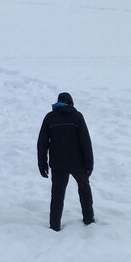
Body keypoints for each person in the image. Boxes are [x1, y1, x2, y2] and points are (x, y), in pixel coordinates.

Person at [37, 92, 94, 231]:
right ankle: (88, 219)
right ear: (71, 103)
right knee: (84, 189)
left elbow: (42, 143)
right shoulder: (77, 116)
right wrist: (89, 163)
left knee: (57, 194)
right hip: (78, 163)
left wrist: (42, 163)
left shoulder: (50, 117)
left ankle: (54, 225)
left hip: (58, 164)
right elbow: (86, 142)